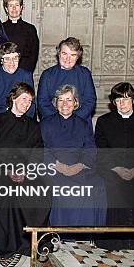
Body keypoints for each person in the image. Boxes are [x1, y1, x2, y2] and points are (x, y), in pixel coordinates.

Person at [0, 82, 47, 255]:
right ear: (13, 98)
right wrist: (7, 170)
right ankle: (7, 243)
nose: (27, 104)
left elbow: (37, 153)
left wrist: (25, 172)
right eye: (24, 99)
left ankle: (31, 242)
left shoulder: (34, 125)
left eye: (30, 100)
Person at [94, 82, 134, 250]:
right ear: (113, 103)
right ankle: (115, 240)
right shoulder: (103, 122)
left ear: (133, 101)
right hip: (112, 170)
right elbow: (101, 150)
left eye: (126, 99)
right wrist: (117, 169)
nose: (122, 103)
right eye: (118, 100)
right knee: (113, 186)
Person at [40, 84, 105, 227]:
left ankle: (86, 230)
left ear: (75, 102)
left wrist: (80, 165)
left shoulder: (83, 124)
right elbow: (42, 149)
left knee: (96, 184)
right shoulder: (45, 124)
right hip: (53, 168)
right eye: (61, 100)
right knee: (62, 186)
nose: (65, 104)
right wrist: (59, 166)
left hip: (79, 167)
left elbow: (90, 148)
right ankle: (61, 230)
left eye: (69, 100)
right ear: (55, 103)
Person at [37, 37, 96, 124]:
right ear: (58, 54)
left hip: (79, 122)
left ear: (78, 57)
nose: (68, 59)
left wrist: (73, 119)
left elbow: (90, 100)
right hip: (53, 123)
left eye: (73, 55)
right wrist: (58, 120)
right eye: (64, 54)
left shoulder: (84, 74)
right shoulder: (47, 75)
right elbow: (43, 103)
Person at [0, 42, 34, 122]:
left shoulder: (26, 76)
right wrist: (9, 113)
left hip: (21, 120)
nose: (12, 62)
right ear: (1, 61)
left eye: (15, 58)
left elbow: (32, 104)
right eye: (7, 59)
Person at [1, 0, 40, 73]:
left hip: (24, 71)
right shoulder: (1, 28)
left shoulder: (30, 29)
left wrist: (24, 72)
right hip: (5, 71)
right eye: (11, 6)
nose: (14, 8)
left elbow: (33, 54)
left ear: (21, 7)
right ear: (6, 9)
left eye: (17, 5)